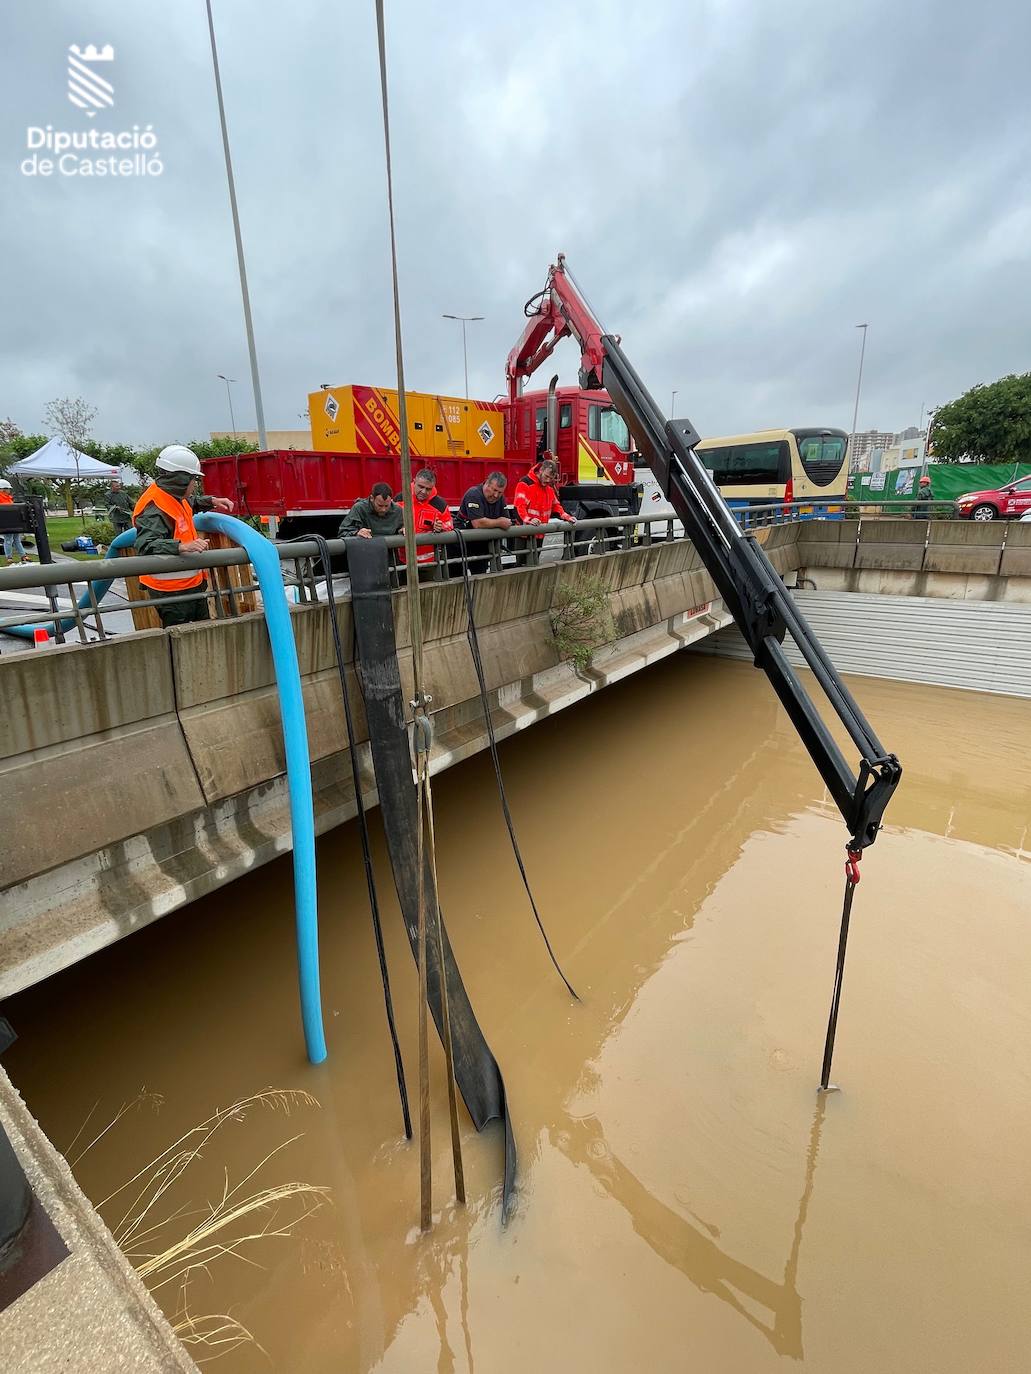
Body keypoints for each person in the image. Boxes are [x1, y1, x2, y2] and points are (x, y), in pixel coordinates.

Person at [132, 445, 234, 627]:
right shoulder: (154, 508)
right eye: (193, 479)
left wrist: (211, 501)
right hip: (171, 593)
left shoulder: (173, 495)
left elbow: (188, 503)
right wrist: (183, 546)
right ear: (180, 480)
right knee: (182, 640)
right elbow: (145, 545)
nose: (195, 483)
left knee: (202, 634)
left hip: (191, 585)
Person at [513, 458, 575, 563]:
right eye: (546, 476)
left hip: (539, 533)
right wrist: (528, 520)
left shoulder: (549, 488)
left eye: (551, 478)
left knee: (534, 564)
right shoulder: (525, 483)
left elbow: (556, 506)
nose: (547, 480)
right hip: (524, 534)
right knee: (521, 566)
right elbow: (519, 506)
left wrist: (566, 516)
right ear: (540, 470)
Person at [396, 467, 453, 572]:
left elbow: (450, 525)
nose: (423, 491)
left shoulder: (439, 504)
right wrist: (400, 528)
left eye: (428, 489)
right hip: (403, 562)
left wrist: (441, 527)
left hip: (429, 564)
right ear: (414, 481)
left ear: (433, 487)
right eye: (420, 487)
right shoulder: (400, 499)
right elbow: (389, 522)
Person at [456, 471, 511, 575]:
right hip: (461, 546)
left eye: (500, 492)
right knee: (457, 578)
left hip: (481, 547)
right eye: (494, 490)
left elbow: (507, 521)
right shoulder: (473, 494)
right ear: (486, 483)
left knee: (480, 577)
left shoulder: (500, 498)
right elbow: (477, 523)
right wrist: (499, 522)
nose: (495, 495)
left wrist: (494, 522)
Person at [337, 482, 404, 540]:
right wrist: (357, 533)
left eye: (387, 506)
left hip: (388, 552)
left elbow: (402, 527)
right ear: (372, 498)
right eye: (380, 505)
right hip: (365, 550)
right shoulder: (359, 509)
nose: (383, 509)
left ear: (391, 500)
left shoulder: (398, 510)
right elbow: (343, 533)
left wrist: (402, 530)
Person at [0, 478, 30, 565]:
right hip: (6, 523)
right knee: (8, 539)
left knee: (17, 539)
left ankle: (23, 555)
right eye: (8, 489)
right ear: (3, 489)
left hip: (14, 522)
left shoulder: (9, 498)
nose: (9, 490)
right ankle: (9, 557)